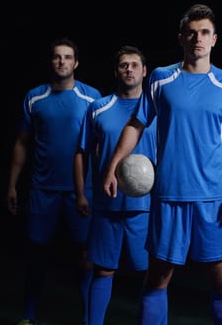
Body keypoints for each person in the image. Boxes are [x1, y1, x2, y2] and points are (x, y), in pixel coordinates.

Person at [102, 3, 222, 325]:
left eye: (205, 32)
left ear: (214, 39)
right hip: (168, 195)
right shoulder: (160, 79)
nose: (198, 38)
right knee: (157, 277)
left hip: (213, 197)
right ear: (181, 38)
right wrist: (114, 164)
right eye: (192, 32)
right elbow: (136, 124)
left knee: (220, 275)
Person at [6, 37, 102, 325]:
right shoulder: (34, 97)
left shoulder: (91, 97)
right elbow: (22, 143)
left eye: (67, 57)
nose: (62, 61)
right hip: (42, 189)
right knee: (37, 253)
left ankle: (89, 318)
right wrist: (12, 183)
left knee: (88, 254)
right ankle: (28, 316)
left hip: (81, 191)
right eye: (57, 57)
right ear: (51, 62)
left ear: (76, 63)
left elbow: (100, 143)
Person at [73, 45, 156, 325]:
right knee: (103, 270)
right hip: (107, 205)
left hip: (146, 208)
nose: (129, 69)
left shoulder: (158, 111)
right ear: (116, 71)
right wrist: (82, 193)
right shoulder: (98, 108)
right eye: (124, 65)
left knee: (151, 274)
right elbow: (82, 152)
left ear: (144, 71)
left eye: (135, 64)